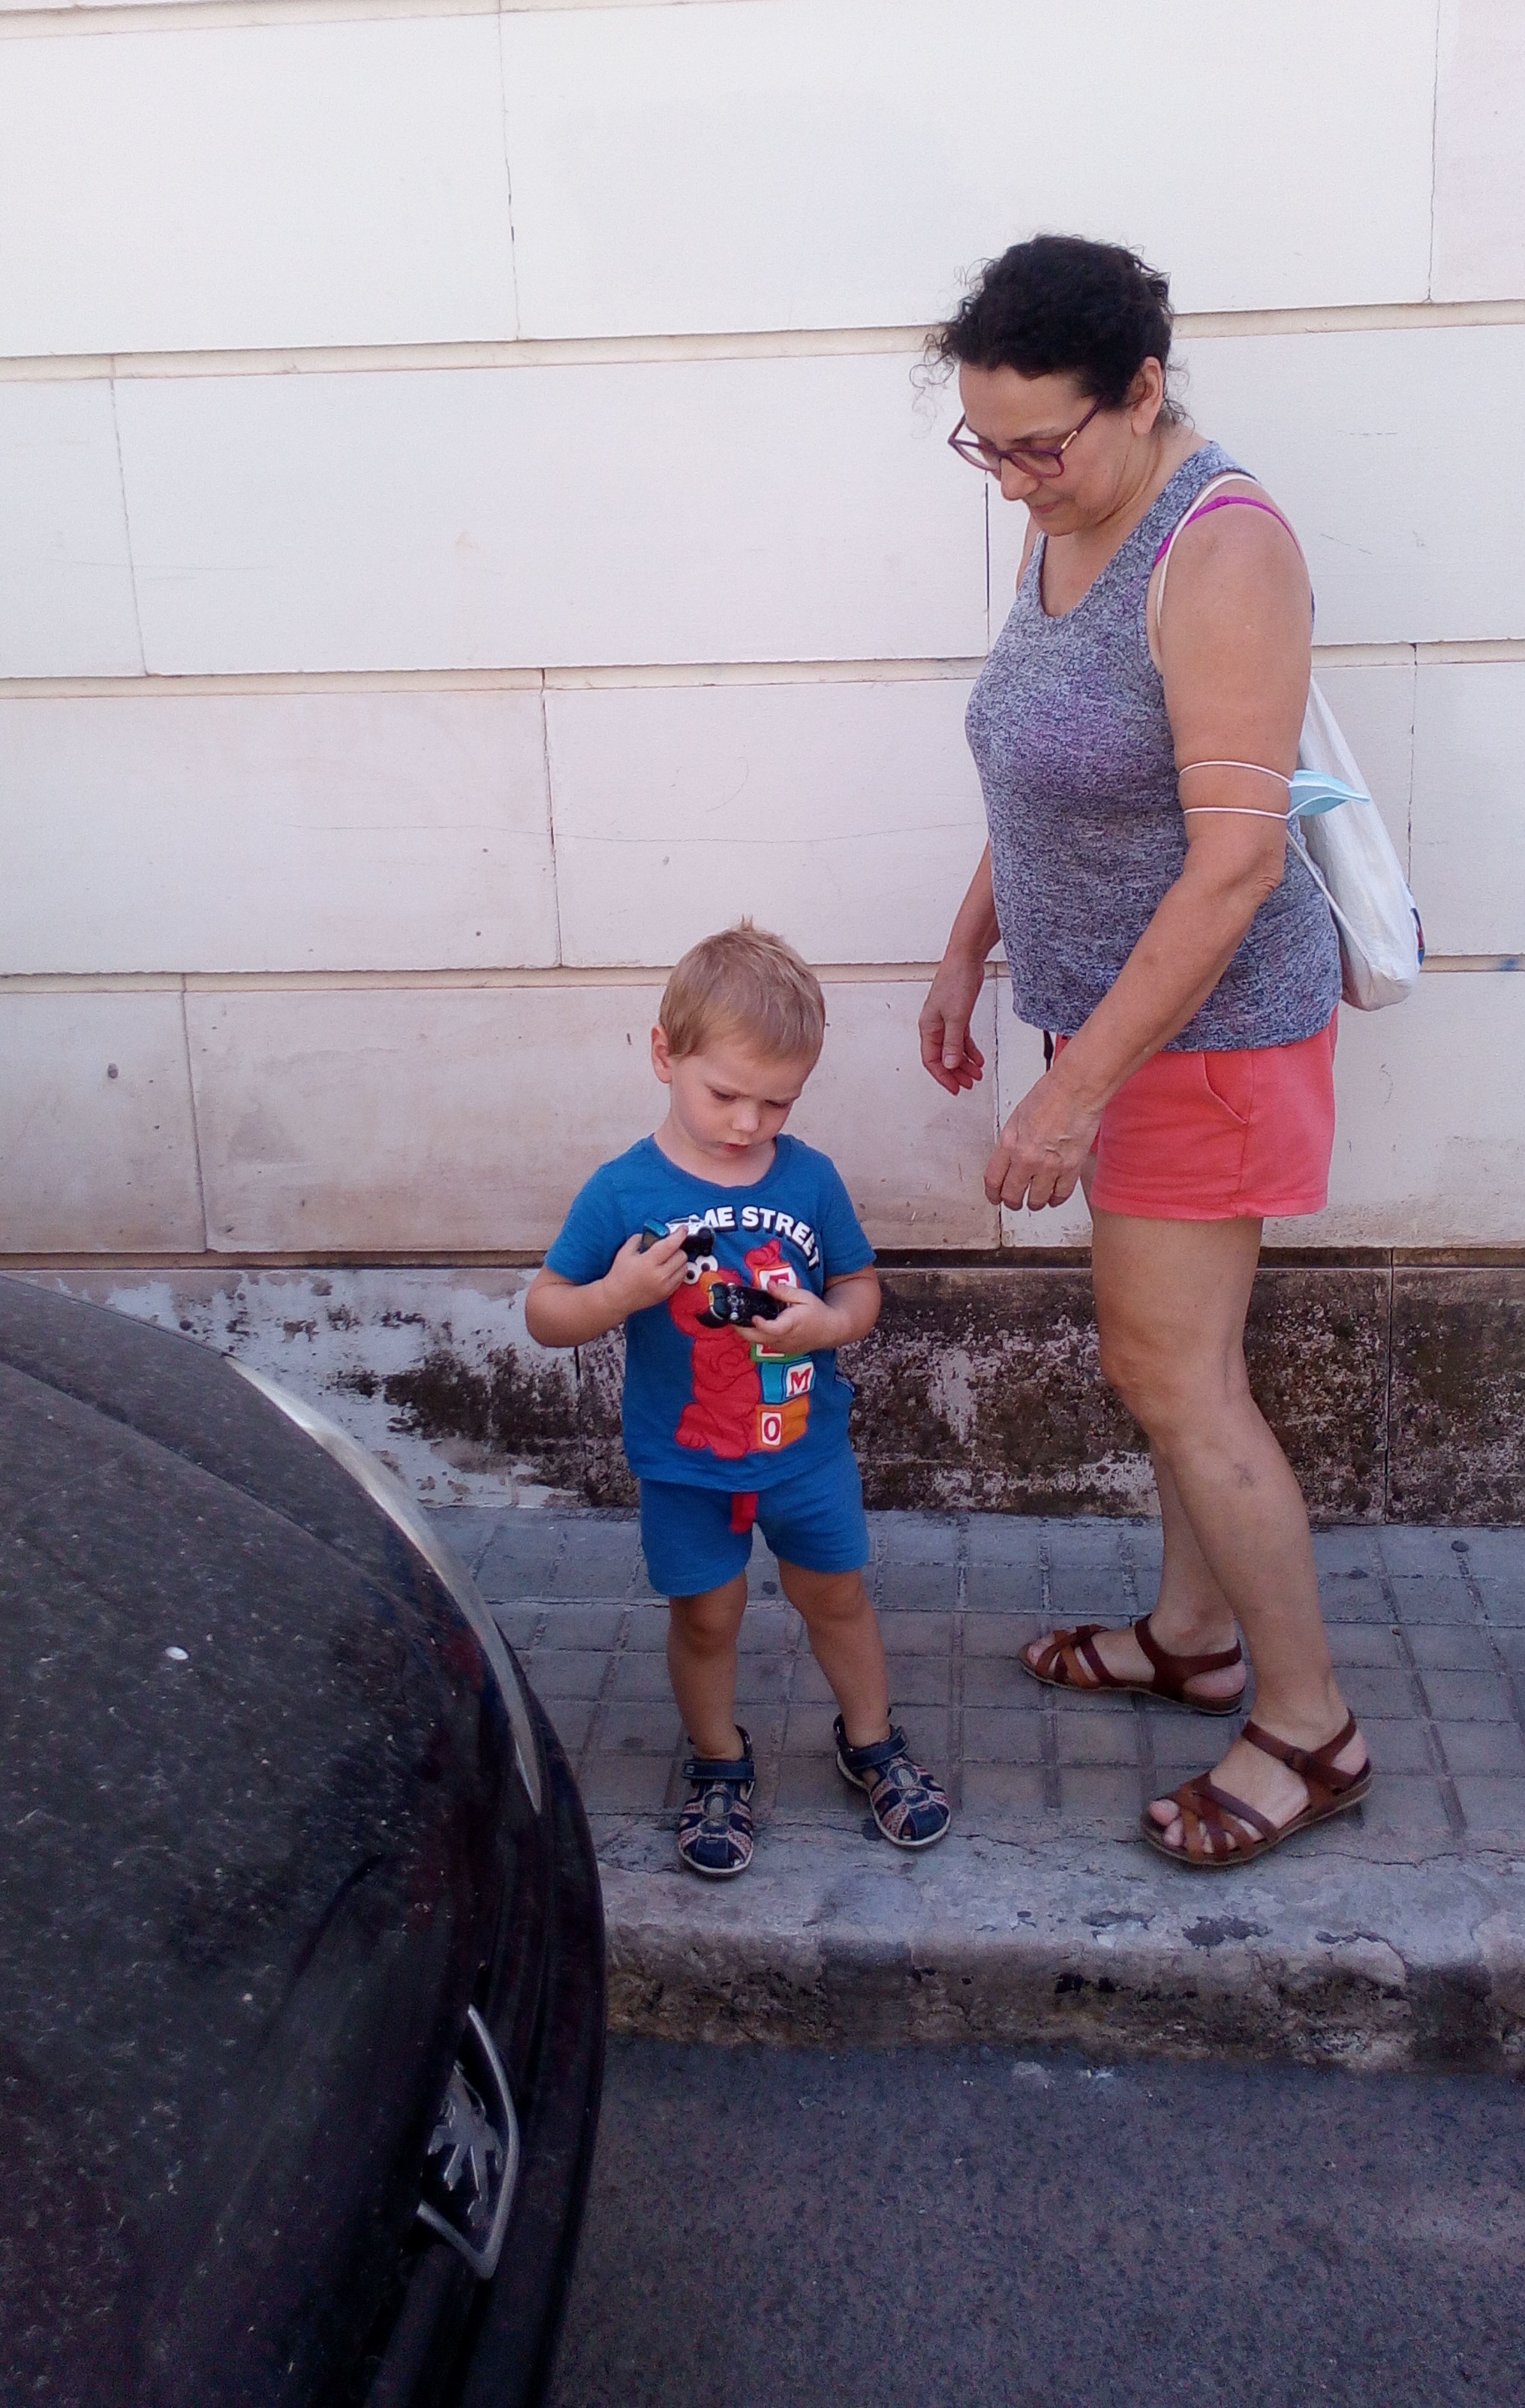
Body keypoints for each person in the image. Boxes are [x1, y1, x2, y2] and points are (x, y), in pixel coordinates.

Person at [919, 233, 1371, 1868]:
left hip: (1205, 1038)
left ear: (1144, 392)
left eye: (1041, 444)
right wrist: (972, 945)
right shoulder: (1064, 515)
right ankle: (1193, 1640)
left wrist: (1069, 1091)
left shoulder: (1223, 549)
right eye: (985, 444)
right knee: (1176, 1368)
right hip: (1109, 1020)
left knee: (1174, 1375)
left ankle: (1310, 1729)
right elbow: (1041, 762)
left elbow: (1235, 865)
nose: (1013, 478)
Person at [528, 921, 951, 1877]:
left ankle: (870, 1740)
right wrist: (616, 1296)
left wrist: (826, 1325)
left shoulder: (810, 1178)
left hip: (804, 1454)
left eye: (778, 1101)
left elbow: (860, 1288)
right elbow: (546, 1312)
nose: (749, 1123)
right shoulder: (622, 1190)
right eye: (725, 1094)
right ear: (663, 1055)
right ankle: (719, 1760)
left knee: (835, 1597)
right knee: (706, 1618)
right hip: (687, 1465)